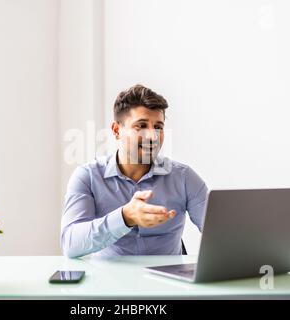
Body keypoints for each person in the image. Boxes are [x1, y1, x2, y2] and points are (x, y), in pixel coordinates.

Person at [61, 84, 208, 258]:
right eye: (141, 126)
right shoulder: (88, 177)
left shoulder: (183, 177)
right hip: (109, 282)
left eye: (158, 127)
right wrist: (125, 217)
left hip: (167, 283)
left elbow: (220, 232)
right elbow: (71, 244)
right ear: (117, 130)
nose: (152, 136)